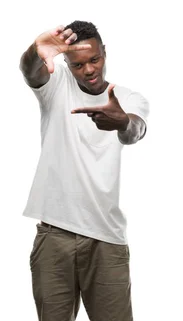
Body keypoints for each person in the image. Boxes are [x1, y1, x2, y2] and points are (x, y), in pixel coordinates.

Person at [20, 20, 149, 321]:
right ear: (66, 63)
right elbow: (30, 71)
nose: (89, 69)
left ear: (105, 52)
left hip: (107, 239)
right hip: (54, 236)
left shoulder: (128, 98)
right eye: (78, 64)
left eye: (95, 59)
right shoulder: (57, 85)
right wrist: (34, 52)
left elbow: (135, 130)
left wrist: (122, 123)